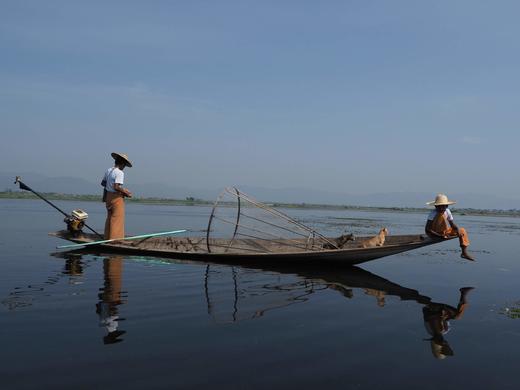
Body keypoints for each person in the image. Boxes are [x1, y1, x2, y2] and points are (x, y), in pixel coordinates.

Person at [423, 287, 474, 359]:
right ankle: (463, 293)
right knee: (457, 316)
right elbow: (445, 320)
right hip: (439, 310)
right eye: (445, 344)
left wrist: (443, 315)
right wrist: (445, 316)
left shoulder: (434, 330)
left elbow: (430, 316)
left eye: (442, 343)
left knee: (457, 316)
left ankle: (463, 292)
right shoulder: (444, 331)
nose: (445, 343)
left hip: (432, 309)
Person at [425, 193, 474, 261]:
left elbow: (452, 224)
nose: (441, 208)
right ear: (436, 206)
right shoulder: (433, 213)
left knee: (462, 231)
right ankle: (441, 234)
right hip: (434, 232)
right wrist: (439, 236)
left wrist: (457, 230)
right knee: (441, 216)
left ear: (446, 206)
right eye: (439, 206)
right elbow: (427, 229)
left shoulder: (447, 211)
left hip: (444, 232)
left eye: (443, 206)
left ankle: (464, 253)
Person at [101, 152, 133, 240]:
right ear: (122, 163)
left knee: (110, 218)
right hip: (116, 198)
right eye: (125, 165)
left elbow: (103, 183)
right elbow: (116, 187)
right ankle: (115, 240)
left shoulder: (109, 170)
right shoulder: (119, 172)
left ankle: (107, 238)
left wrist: (108, 189)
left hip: (108, 197)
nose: (124, 167)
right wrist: (126, 193)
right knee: (117, 219)